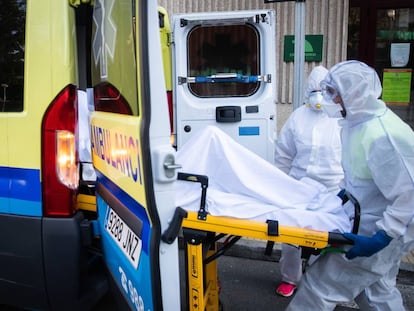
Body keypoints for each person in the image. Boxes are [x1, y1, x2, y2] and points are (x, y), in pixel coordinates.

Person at [286, 60, 414, 310]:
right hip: (370, 222)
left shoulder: (384, 136)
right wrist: (344, 193)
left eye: (335, 94)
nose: (331, 100)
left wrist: (383, 236)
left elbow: (409, 193)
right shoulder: (356, 124)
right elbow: (360, 173)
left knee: (319, 285)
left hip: (381, 231)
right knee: (377, 292)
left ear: (354, 94)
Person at [273, 66, 344, 297]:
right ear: (307, 91)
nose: (318, 95)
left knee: (325, 239)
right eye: (314, 90)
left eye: (323, 90)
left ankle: (316, 281)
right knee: (291, 236)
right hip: (299, 186)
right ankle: (290, 278)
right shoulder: (298, 117)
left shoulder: (340, 119)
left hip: (333, 189)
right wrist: (281, 187)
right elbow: (283, 154)